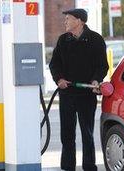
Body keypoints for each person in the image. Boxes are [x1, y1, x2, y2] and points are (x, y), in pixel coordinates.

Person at [49, 8, 109, 171]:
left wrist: (96, 80)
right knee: (67, 134)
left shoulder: (95, 40)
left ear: (79, 21)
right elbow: (54, 64)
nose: (65, 21)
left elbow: (102, 65)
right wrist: (59, 79)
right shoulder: (63, 40)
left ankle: (89, 166)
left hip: (86, 94)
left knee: (87, 133)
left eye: (68, 19)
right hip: (67, 93)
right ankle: (68, 167)